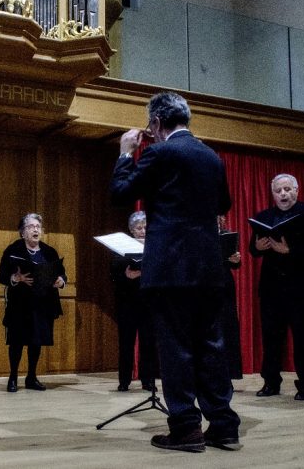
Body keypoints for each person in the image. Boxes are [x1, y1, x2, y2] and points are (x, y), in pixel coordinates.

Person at [110, 91, 240, 453]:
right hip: (209, 267)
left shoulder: (160, 152)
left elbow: (121, 192)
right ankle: (224, 425)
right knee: (211, 347)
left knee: (177, 348)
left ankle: (186, 429)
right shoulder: (211, 156)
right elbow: (224, 204)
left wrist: (124, 152)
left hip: (171, 269)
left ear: (155, 123)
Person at [249, 173, 304, 400]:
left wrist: (289, 250)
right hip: (272, 287)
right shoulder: (264, 216)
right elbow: (252, 249)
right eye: (278, 191)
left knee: (303, 338)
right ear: (272, 193)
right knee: (271, 338)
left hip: (301, 286)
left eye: (287, 189)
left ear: (296, 190)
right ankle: (271, 382)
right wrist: (259, 246)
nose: (283, 194)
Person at [0, 213, 67, 392]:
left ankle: (31, 377)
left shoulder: (49, 251)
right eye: (31, 227)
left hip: (42, 303)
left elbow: (61, 273)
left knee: (36, 341)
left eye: (38, 226)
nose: (36, 229)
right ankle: (13, 377)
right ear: (22, 232)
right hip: (20, 304)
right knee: (17, 341)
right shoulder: (13, 250)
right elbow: (2, 275)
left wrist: (61, 281)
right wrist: (16, 277)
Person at [109, 211, 158, 391]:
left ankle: (148, 380)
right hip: (127, 301)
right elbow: (113, 272)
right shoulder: (122, 247)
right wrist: (127, 275)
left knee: (148, 342)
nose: (143, 231)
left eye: (145, 227)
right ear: (131, 230)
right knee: (126, 342)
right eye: (138, 228)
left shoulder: (154, 245)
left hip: (148, 301)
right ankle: (124, 381)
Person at [218, 215, 243, 380]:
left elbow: (235, 263)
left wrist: (236, 259)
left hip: (224, 286)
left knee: (228, 328)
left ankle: (228, 375)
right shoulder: (197, 234)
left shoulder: (226, 235)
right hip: (204, 286)